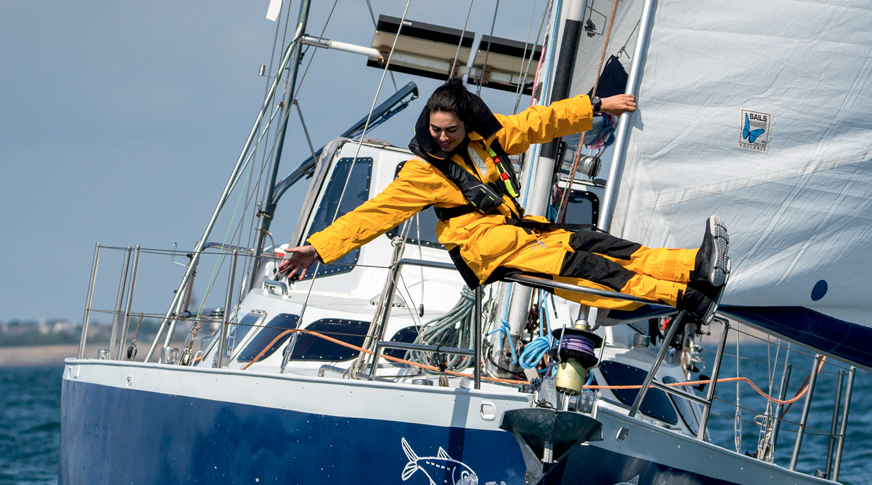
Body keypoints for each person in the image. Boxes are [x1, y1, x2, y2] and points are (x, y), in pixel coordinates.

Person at [279, 78, 729, 324]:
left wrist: (596, 107)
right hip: (488, 251)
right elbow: (371, 216)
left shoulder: (485, 139)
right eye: (435, 129)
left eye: (450, 130)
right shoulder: (423, 171)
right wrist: (316, 250)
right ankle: (686, 297)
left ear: (466, 122)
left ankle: (695, 267)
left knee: (600, 244)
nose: (441, 136)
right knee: (586, 267)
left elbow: (538, 122)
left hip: (520, 232)